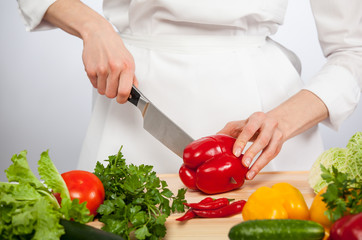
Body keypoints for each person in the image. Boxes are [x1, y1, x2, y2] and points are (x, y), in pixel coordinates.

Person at [17, 0, 362, 180]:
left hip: (264, 131)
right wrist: (92, 27)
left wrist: (281, 122)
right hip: (135, 97)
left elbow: (353, 51)